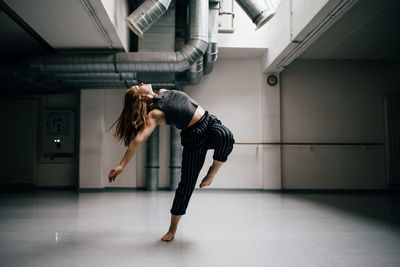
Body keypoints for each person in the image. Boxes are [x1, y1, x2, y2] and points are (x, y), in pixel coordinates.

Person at [107, 83, 235, 242]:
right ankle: (172, 229)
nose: (141, 83)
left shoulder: (162, 92)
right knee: (186, 185)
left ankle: (211, 173)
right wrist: (121, 165)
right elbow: (138, 140)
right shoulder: (155, 114)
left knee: (226, 135)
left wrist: (153, 97)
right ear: (140, 96)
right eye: (137, 86)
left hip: (208, 123)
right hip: (193, 138)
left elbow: (161, 99)